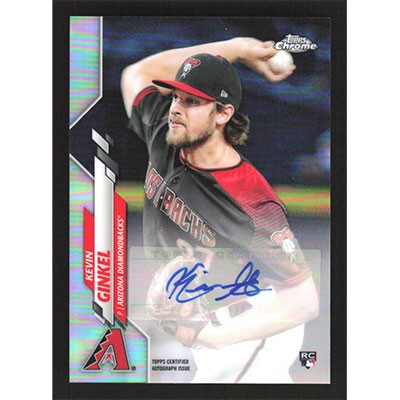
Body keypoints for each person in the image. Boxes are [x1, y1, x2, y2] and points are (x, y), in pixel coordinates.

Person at [121, 37, 319, 383]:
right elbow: (138, 73)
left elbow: (303, 301)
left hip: (250, 330)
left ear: (223, 114)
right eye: (176, 97)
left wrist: (211, 338)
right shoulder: (162, 134)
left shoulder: (251, 199)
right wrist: (237, 48)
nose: (176, 108)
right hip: (211, 328)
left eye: (193, 101)